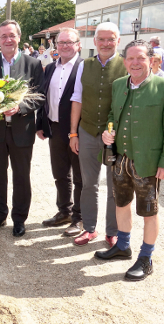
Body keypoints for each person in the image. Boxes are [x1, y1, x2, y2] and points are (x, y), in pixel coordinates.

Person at [95, 39, 164, 281]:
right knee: (121, 203)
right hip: (120, 158)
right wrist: (108, 131)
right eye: (130, 58)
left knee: (148, 212)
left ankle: (146, 258)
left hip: (149, 162)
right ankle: (123, 246)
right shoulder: (119, 85)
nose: (135, 63)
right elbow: (113, 114)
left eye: (140, 58)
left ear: (151, 61)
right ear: (124, 62)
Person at [0, 20, 44, 237]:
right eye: (3, 36)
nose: (7, 39)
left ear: (19, 37)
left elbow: (40, 96)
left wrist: (20, 106)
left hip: (21, 130)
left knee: (21, 176)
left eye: (11, 35)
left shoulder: (32, 64)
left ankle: (19, 218)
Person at [69, 22, 127, 248]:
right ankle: (89, 228)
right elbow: (77, 99)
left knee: (115, 186)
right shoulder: (85, 65)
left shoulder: (126, 64)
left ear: (118, 41)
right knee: (88, 184)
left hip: (116, 136)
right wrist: (73, 133)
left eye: (110, 39)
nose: (105, 43)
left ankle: (112, 232)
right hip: (88, 131)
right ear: (94, 42)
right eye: (101, 39)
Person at [36, 28, 84, 237]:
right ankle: (64, 211)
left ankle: (79, 218)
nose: (64, 46)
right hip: (54, 128)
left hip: (78, 131)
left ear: (78, 45)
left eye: (69, 42)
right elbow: (42, 98)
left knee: (80, 177)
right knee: (60, 174)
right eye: (61, 42)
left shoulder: (85, 68)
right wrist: (40, 123)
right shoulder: (50, 69)